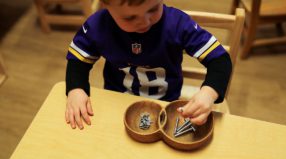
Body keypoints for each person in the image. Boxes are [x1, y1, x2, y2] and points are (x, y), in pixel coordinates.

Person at [65, 0, 232, 129]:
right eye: (130, 17)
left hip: (166, 104)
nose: (145, 22)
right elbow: (78, 60)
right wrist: (76, 89)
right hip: (116, 101)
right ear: (105, 5)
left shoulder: (177, 24)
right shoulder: (97, 26)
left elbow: (220, 60)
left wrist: (209, 93)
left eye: (153, 9)